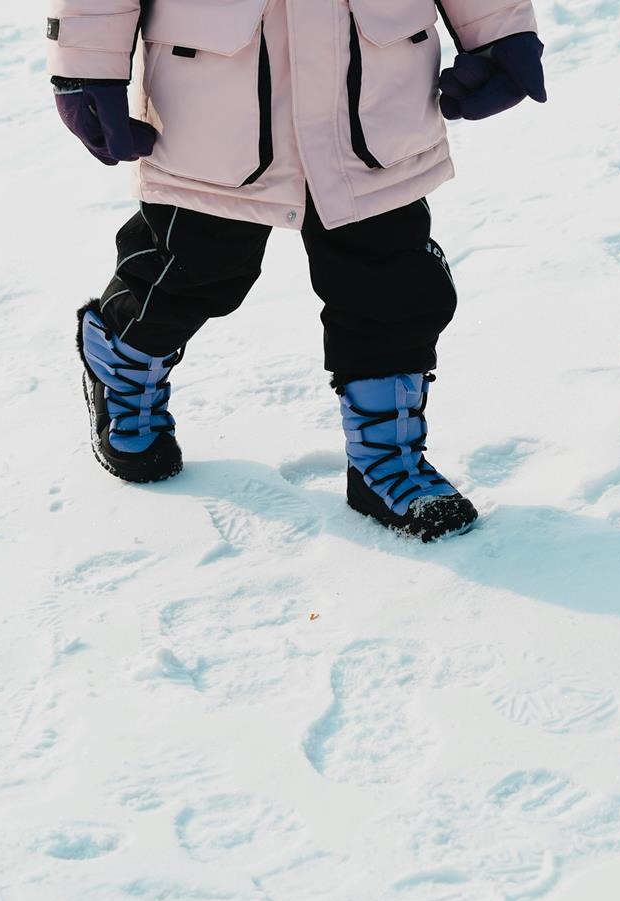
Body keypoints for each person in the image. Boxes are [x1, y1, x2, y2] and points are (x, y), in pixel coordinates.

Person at [48, 0, 546, 541]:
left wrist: (501, 28)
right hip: (214, 97)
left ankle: (388, 457)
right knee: (190, 268)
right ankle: (122, 358)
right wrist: (84, 63)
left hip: (373, 94)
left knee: (392, 285)